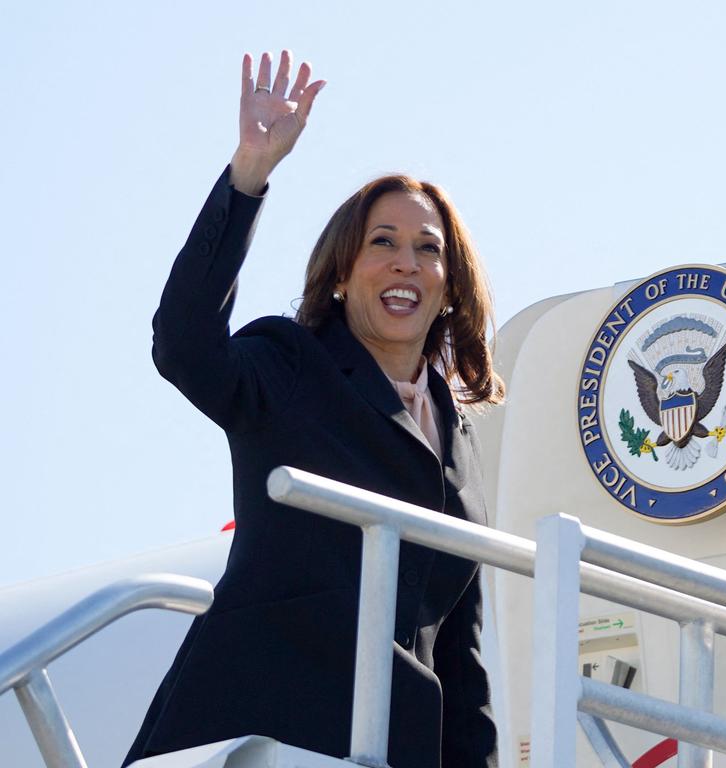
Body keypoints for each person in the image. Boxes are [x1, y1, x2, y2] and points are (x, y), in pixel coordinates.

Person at [122, 50, 503, 768]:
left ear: (449, 285)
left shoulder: (459, 439)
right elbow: (184, 345)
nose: (405, 263)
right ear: (340, 273)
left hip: (388, 748)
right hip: (258, 729)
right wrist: (249, 172)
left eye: (428, 249)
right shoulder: (290, 365)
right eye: (381, 243)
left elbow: (458, 652)